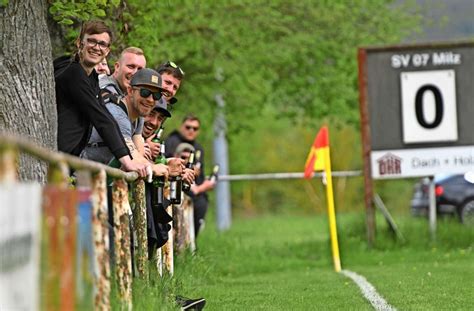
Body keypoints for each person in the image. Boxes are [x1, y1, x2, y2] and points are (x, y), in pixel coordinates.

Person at [53, 20, 147, 177]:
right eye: (91, 41)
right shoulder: (73, 73)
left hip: (68, 163)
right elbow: (100, 117)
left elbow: (105, 116)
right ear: (79, 43)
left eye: (102, 44)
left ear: (107, 51)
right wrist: (127, 162)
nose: (96, 47)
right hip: (57, 161)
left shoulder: (91, 76)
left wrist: (129, 157)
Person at [165, 115, 216, 237]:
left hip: (193, 188)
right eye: (188, 127)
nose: (191, 131)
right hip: (175, 185)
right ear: (181, 126)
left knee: (202, 202)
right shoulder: (172, 142)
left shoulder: (198, 148)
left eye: (195, 128)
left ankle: (191, 244)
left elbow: (200, 175)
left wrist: (203, 186)